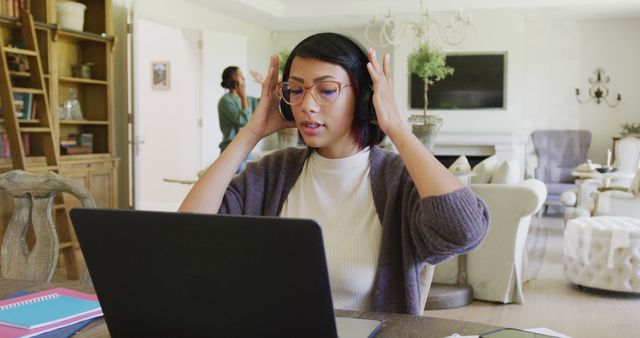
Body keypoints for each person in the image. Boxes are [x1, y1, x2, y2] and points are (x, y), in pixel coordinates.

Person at [180, 33, 489, 315]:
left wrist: (395, 126)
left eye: (327, 90)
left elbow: (464, 231)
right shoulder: (273, 172)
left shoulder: (397, 180)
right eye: (296, 91)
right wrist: (251, 132)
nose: (307, 105)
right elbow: (188, 234)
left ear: (365, 100)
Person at [217, 66, 263, 171]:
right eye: (241, 76)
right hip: (231, 152)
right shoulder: (225, 101)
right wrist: (243, 98)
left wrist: (264, 84)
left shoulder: (247, 100)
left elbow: (265, 104)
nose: (244, 78)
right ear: (233, 81)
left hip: (245, 151)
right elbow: (245, 121)